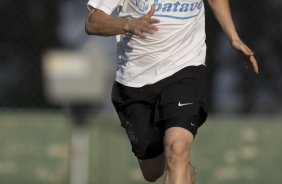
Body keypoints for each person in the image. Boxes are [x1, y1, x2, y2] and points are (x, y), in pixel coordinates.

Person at [85, 0, 259, 183]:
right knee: (152, 171)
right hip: (134, 81)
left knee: (177, 150)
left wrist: (233, 37)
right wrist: (129, 24)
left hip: (185, 68)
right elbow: (92, 21)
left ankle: (179, 162)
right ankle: (181, 169)